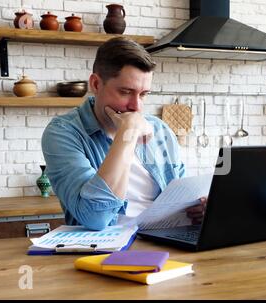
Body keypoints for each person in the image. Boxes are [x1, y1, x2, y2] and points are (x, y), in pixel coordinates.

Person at [42, 37, 206, 230]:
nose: (136, 106)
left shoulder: (160, 130)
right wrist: (128, 133)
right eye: (126, 92)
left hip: (165, 242)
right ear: (95, 84)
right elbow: (96, 217)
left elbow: (180, 198)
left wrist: (198, 207)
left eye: (143, 94)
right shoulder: (63, 133)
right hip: (103, 253)